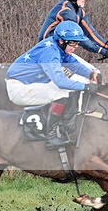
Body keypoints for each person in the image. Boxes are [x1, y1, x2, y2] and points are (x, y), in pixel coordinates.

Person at [7, 20, 100, 149]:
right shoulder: (50, 52)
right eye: (73, 43)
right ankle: (51, 137)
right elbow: (60, 81)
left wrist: (90, 74)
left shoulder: (58, 47)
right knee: (61, 92)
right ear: (62, 41)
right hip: (19, 88)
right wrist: (86, 86)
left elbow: (74, 65)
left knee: (68, 90)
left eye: (77, 43)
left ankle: (66, 125)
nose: (76, 47)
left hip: (31, 84)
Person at [37, 0, 108, 57]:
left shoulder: (79, 11)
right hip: (48, 49)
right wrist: (101, 50)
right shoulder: (66, 11)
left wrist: (106, 45)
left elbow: (91, 33)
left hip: (60, 49)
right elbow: (76, 36)